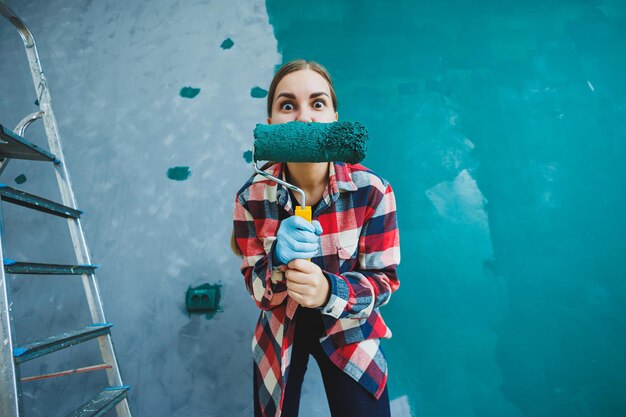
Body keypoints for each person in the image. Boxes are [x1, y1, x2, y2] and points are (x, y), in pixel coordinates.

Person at [232, 59, 400, 417]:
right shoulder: (251, 198)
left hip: (348, 325)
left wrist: (328, 290)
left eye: (318, 103)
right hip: (280, 327)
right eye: (287, 105)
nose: (304, 117)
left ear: (335, 118)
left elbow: (384, 283)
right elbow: (256, 289)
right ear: (272, 122)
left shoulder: (372, 191)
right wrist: (276, 259)